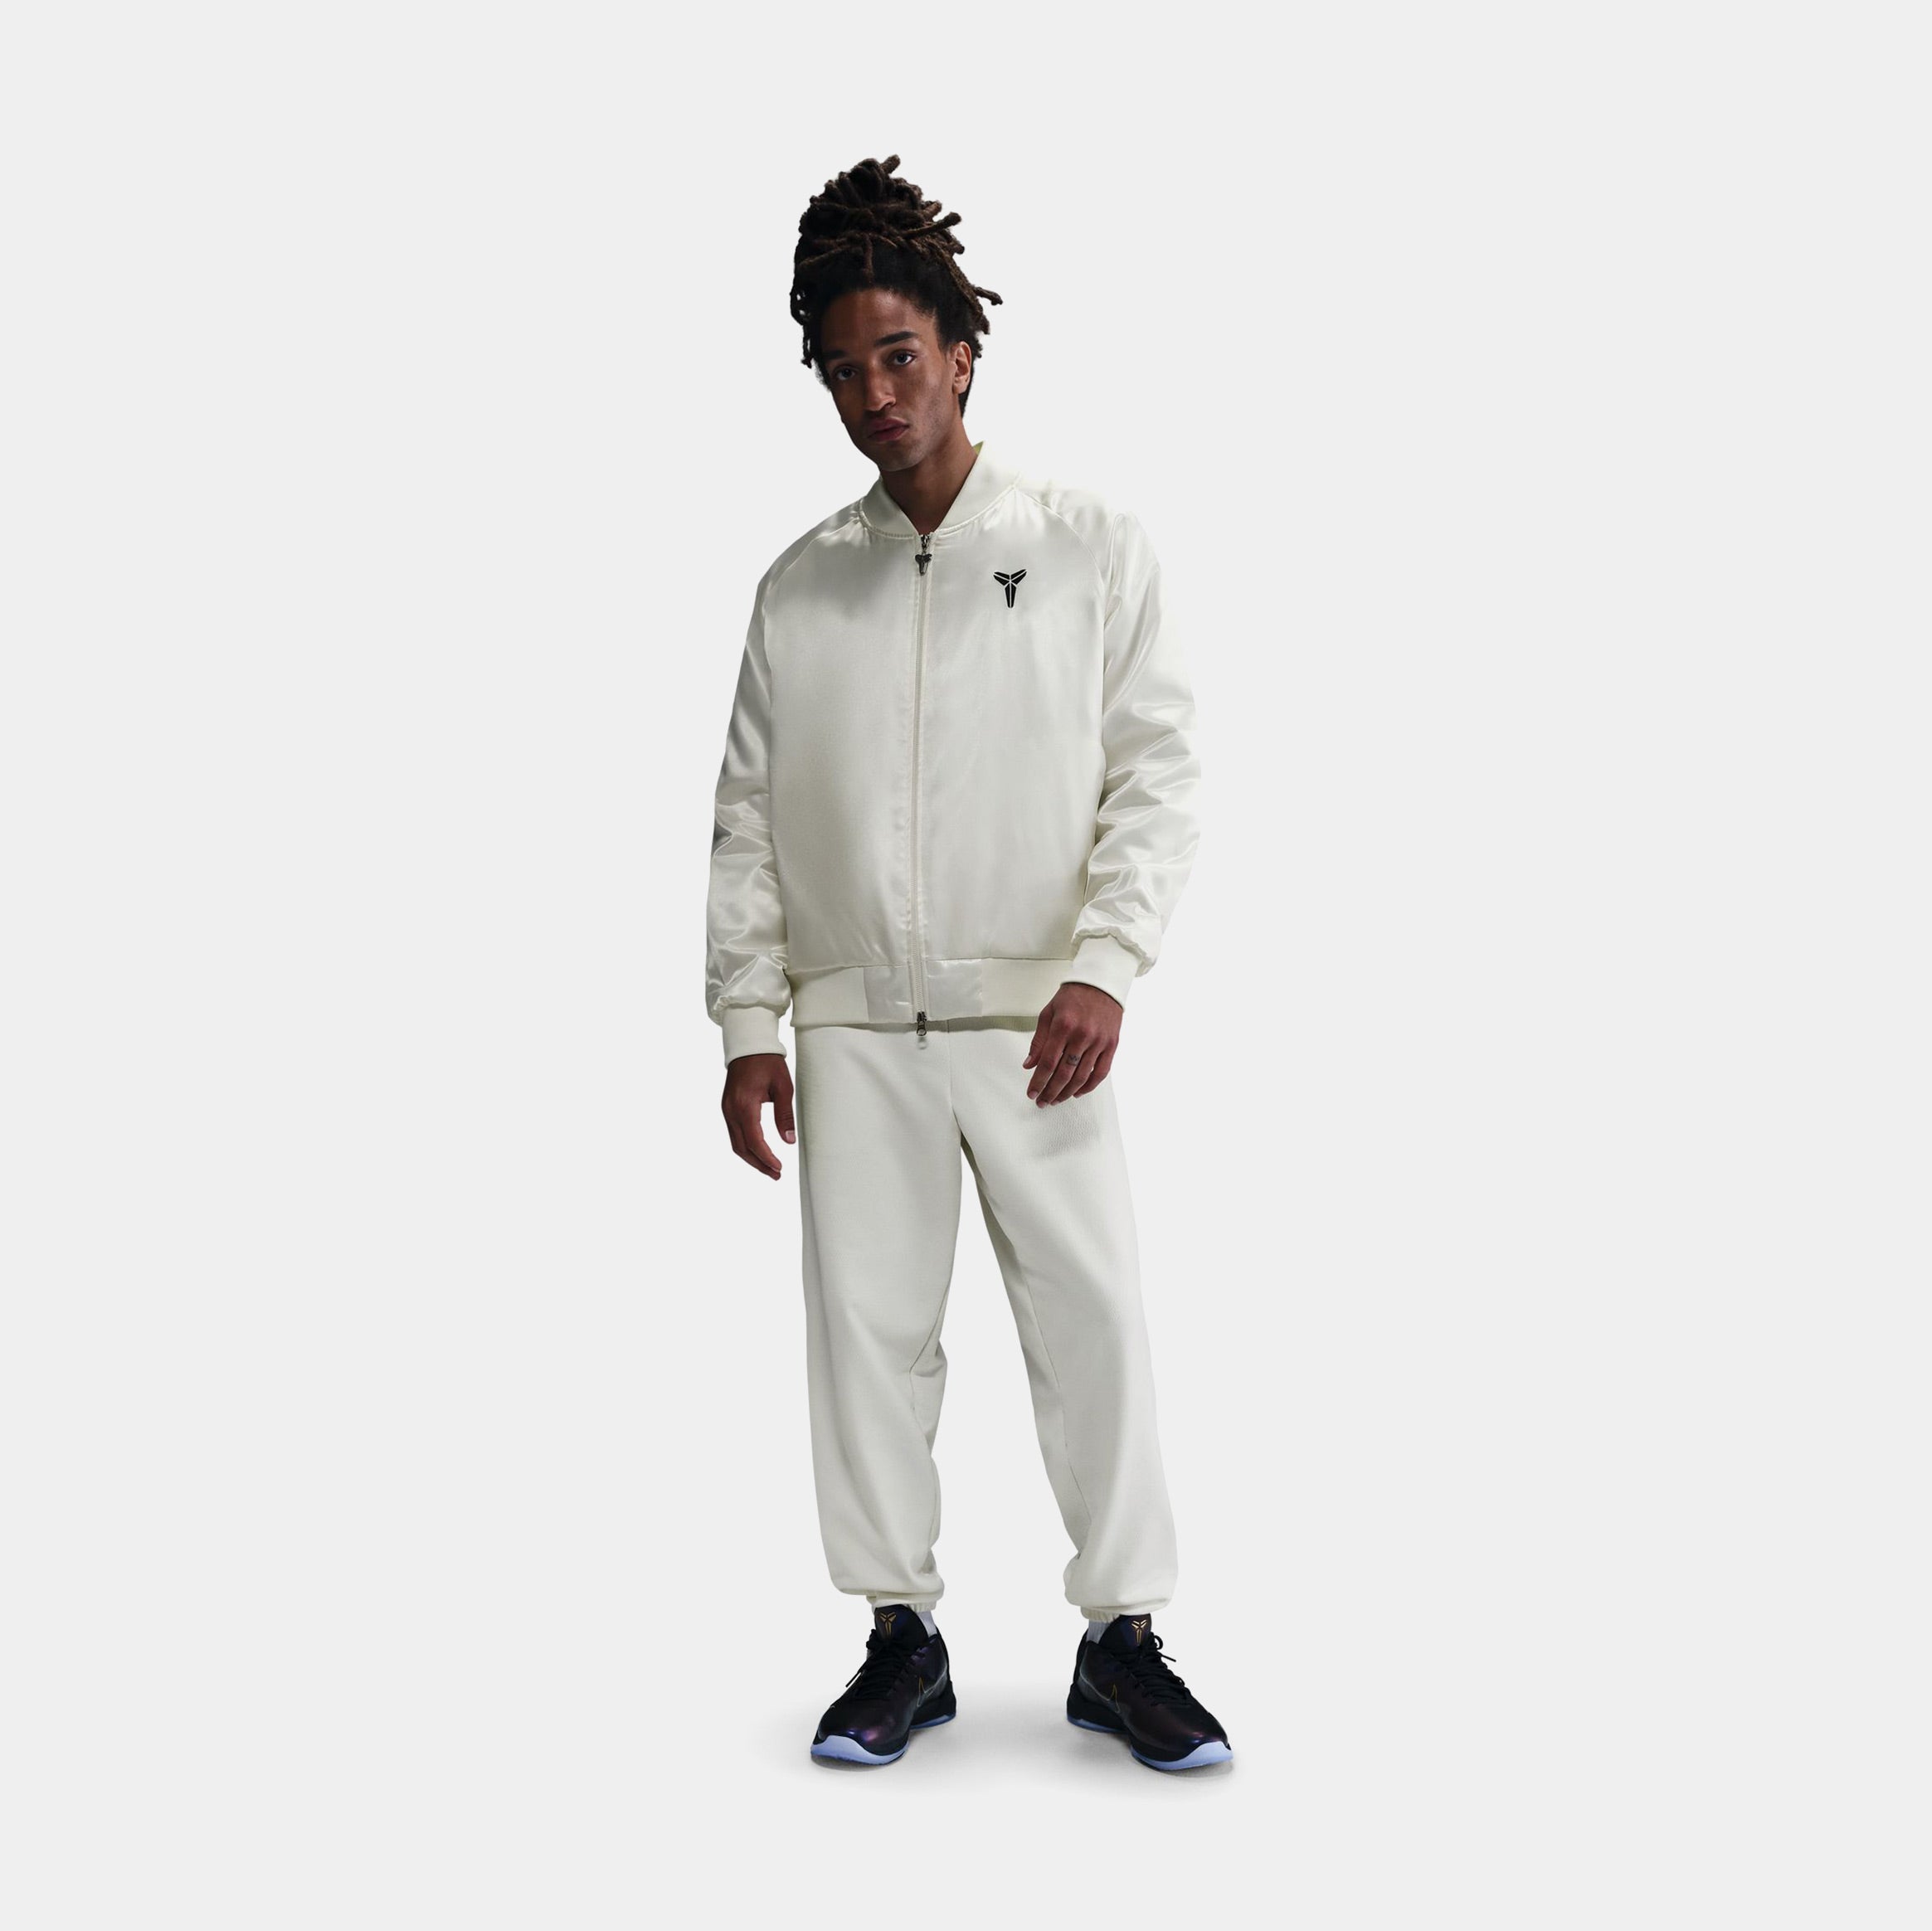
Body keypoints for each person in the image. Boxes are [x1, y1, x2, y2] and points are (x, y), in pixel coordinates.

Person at [704, 155, 1229, 1773]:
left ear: (961, 351)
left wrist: (1107, 964)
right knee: (864, 1338)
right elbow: (745, 816)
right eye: (841, 369)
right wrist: (748, 1017)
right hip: (854, 1025)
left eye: (899, 356)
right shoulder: (802, 587)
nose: (873, 395)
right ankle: (899, 1639)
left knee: (1094, 1325)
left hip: (1033, 1019)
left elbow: (1157, 771)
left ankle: (1122, 1641)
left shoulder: (1085, 550)